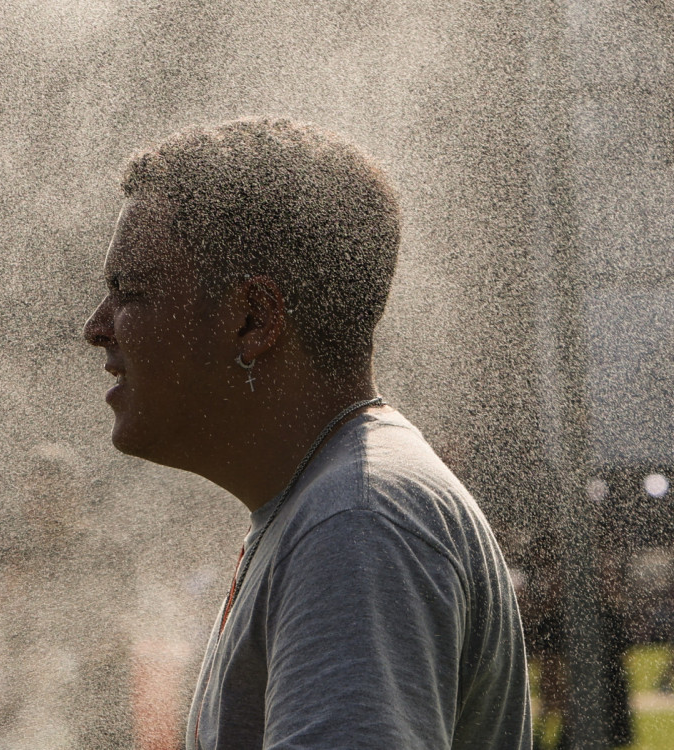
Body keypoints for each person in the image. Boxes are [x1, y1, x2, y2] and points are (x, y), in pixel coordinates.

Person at [82, 118, 531, 749]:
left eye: (129, 292)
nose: (96, 327)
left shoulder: (354, 523)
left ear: (253, 319)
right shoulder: (334, 504)